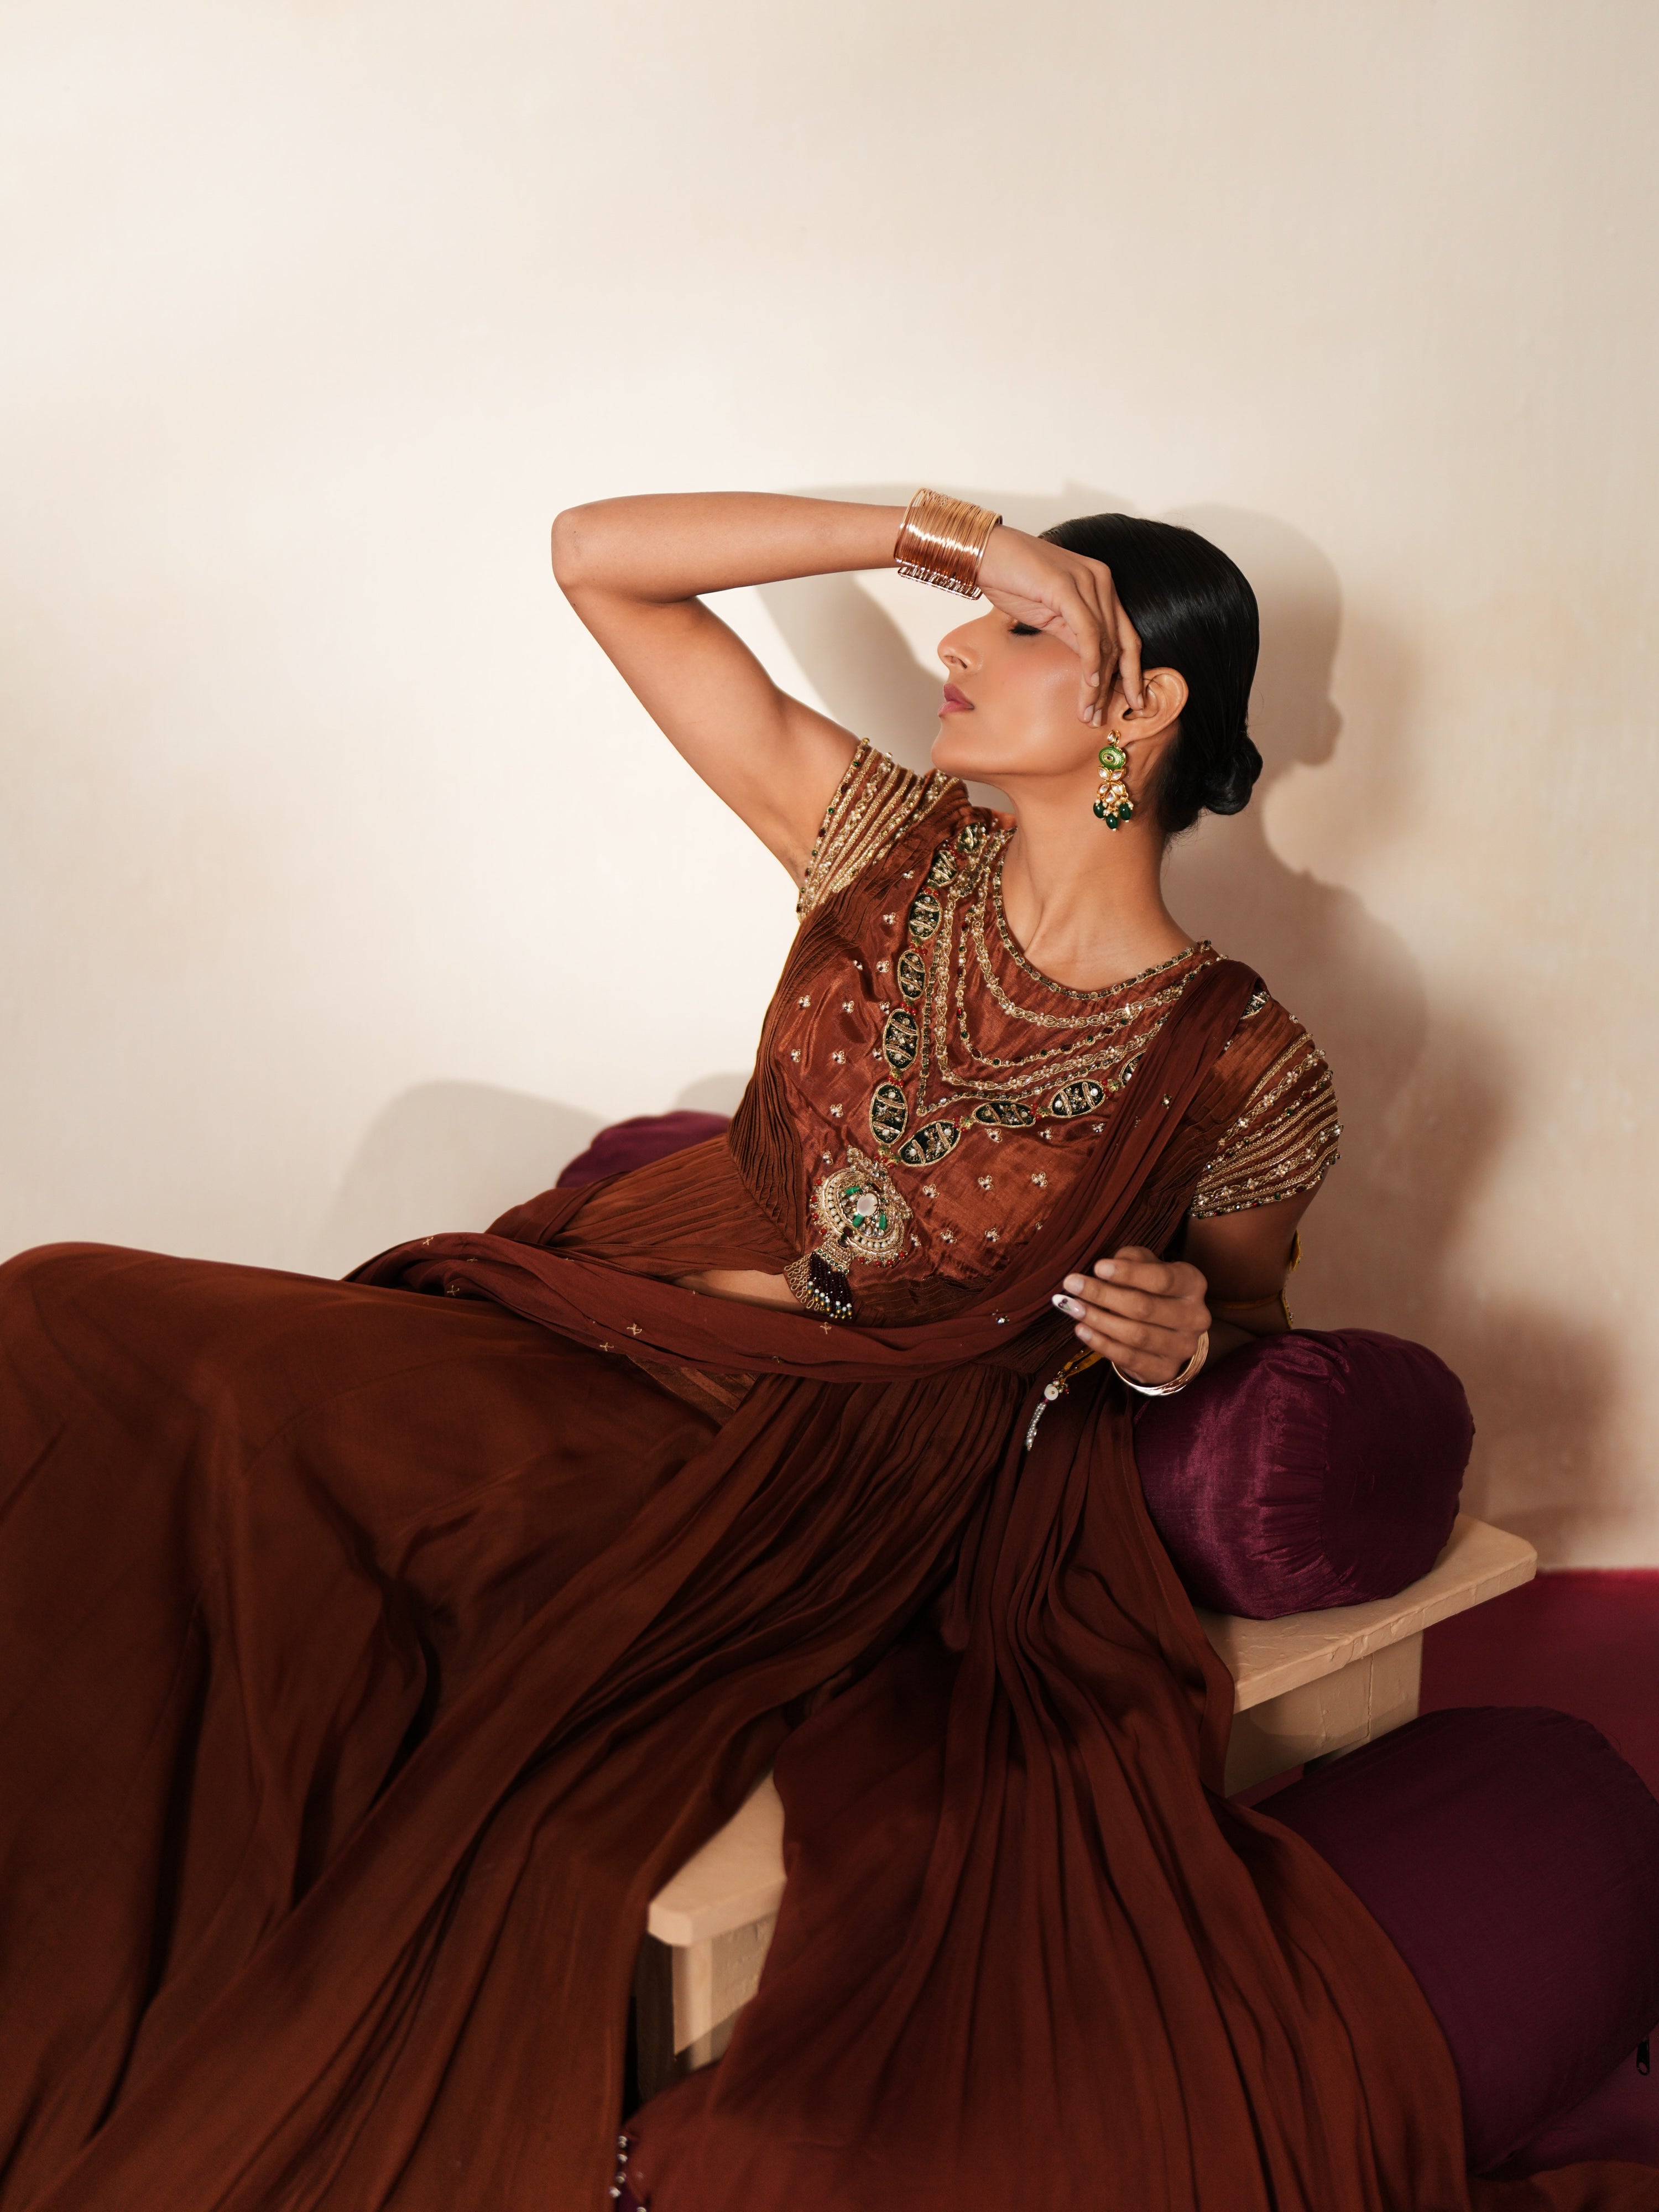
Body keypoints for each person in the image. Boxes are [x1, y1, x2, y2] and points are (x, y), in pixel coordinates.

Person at [0, 492, 1644, 2211]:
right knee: (73, 1319)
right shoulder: (877, 842)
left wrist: (1172, 1350)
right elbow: (594, 561)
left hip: (821, 1472)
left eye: (1024, 631)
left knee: (434, 1656)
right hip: (603, 1328)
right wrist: (952, 540)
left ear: (1143, 707)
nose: (959, 641)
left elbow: (1239, 1326)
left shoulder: (1242, 1068)